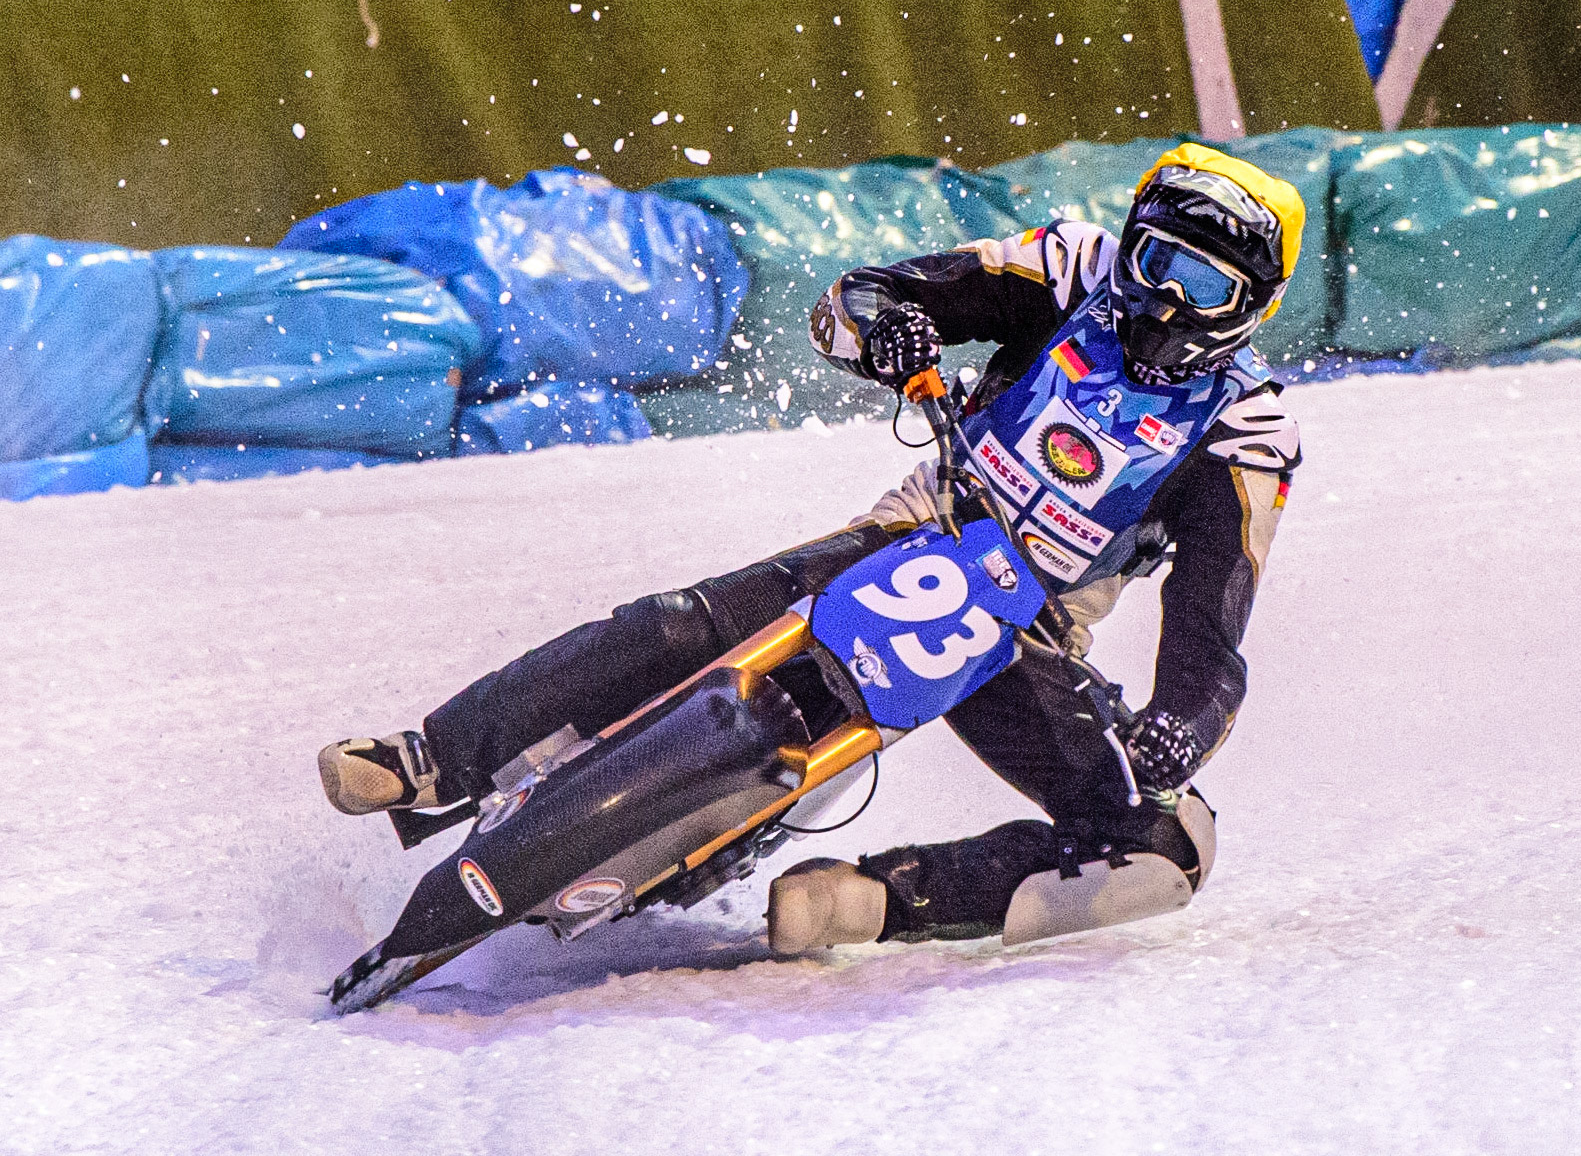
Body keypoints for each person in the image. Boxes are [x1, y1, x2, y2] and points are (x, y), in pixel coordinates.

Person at [317, 143, 1305, 953]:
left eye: (1201, 283)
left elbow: (1214, 635)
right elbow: (864, 299)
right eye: (1154, 260)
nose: (1163, 300)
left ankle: (876, 901)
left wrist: (1177, 725)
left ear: (1251, 305)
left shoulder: (1246, 432)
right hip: (919, 529)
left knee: (1170, 845)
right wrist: (901, 323)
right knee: (689, 623)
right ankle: (436, 754)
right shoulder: (1072, 268)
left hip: (1031, 633)